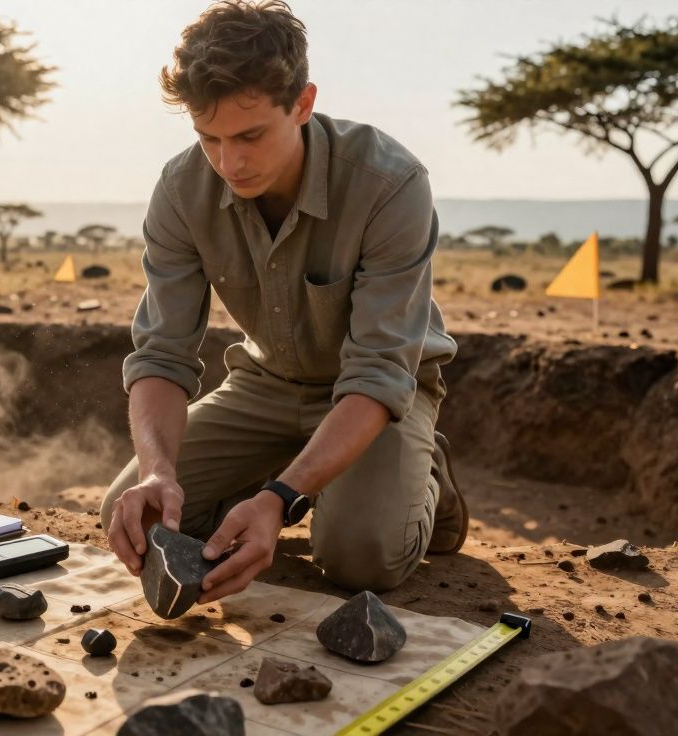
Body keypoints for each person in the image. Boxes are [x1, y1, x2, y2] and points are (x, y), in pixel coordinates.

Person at [101, 0, 465, 603]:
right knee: (134, 516)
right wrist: (158, 472)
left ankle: (424, 476)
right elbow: (161, 356)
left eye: (250, 135)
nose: (229, 162)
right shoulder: (179, 189)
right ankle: (305, 471)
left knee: (359, 558)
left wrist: (278, 499)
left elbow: (377, 372)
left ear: (302, 103)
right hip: (265, 385)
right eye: (208, 137)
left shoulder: (391, 183)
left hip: (375, 394)